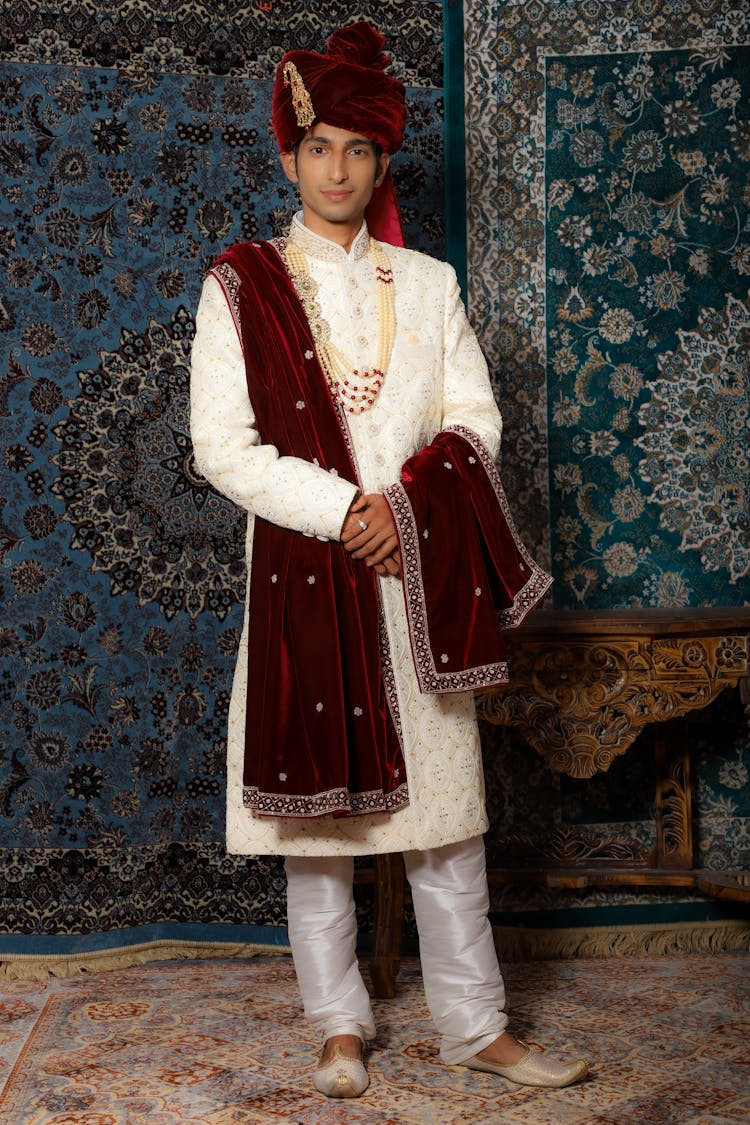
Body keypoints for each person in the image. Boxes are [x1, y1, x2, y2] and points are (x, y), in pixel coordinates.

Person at [190, 21, 588, 1100]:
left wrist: (403, 511)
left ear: (380, 163)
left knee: (446, 826)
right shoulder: (241, 285)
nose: (339, 169)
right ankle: (338, 1028)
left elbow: (475, 419)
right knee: (318, 834)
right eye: (320, 148)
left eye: (361, 149)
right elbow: (221, 447)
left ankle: (478, 1026)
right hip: (304, 582)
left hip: (416, 582)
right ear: (288, 157)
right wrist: (342, 511)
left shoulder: (428, 283)